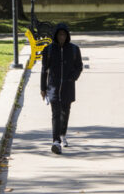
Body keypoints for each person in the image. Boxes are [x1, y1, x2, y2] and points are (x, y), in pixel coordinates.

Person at [39, 23, 83, 155]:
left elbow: (79, 66)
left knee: (66, 111)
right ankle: (56, 141)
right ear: (55, 36)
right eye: (59, 35)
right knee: (55, 113)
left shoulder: (74, 49)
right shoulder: (49, 50)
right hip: (53, 86)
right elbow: (44, 70)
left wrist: (73, 77)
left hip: (68, 86)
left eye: (64, 35)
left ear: (67, 36)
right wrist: (43, 88)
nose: (62, 37)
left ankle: (62, 133)